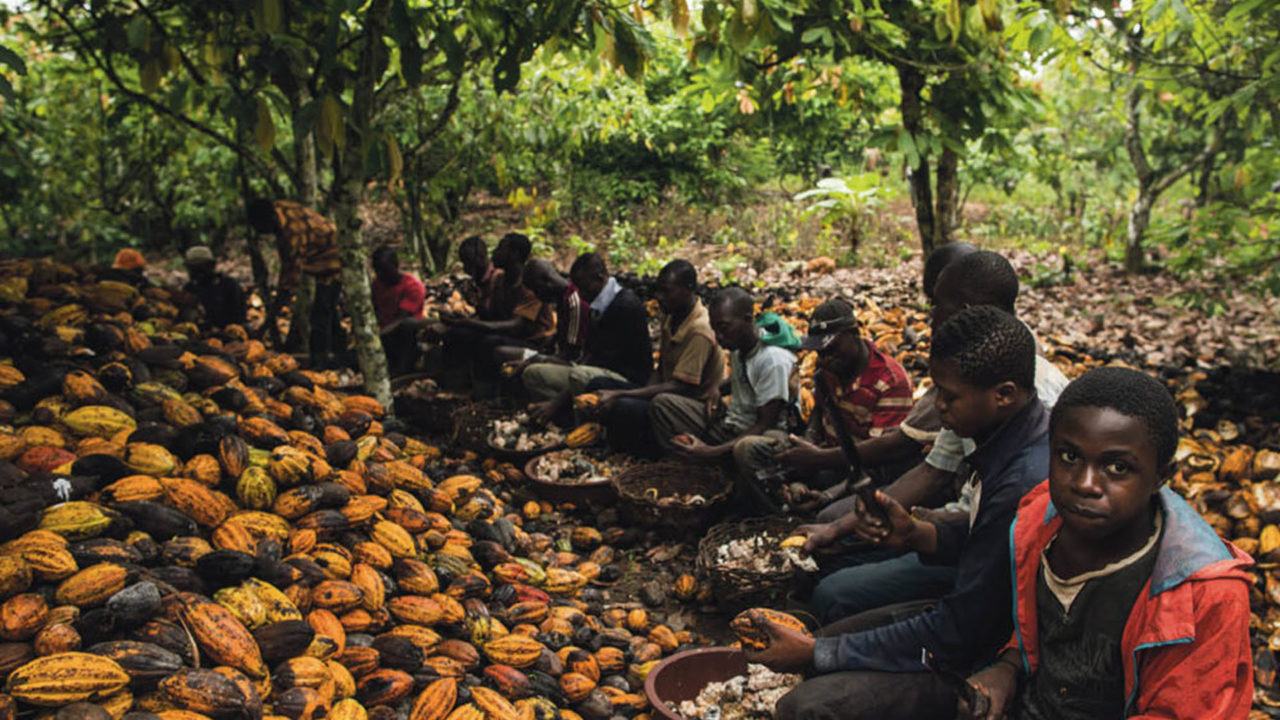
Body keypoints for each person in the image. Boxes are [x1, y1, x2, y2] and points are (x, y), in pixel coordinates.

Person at [747, 306, 1050, 720]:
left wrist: (820, 652)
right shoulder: (1008, 437)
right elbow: (991, 538)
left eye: (950, 396)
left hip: (996, 650)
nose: (939, 407)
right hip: (974, 618)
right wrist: (919, 535)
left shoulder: (1022, 478)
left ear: (1004, 394)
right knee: (829, 627)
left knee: (807, 705)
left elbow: (958, 630)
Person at [962, 366, 1253, 720]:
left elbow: (1185, 710)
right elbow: (1034, 630)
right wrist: (1007, 668)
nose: (1085, 484)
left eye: (1117, 468)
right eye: (1069, 456)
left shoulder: (1205, 594)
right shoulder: (1038, 521)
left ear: (1161, 476)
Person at [803, 250, 1069, 623]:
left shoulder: (1022, 405)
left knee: (836, 591)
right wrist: (844, 529)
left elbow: (990, 557)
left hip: (980, 561)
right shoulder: (969, 376)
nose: (929, 318)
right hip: (958, 531)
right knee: (833, 556)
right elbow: (934, 470)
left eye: (935, 306)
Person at [733, 298, 914, 510]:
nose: (825, 358)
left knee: (832, 510)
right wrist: (809, 438)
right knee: (748, 449)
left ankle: (809, 510)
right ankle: (785, 510)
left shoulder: (890, 382)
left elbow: (880, 459)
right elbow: (819, 411)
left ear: (854, 334)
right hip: (824, 457)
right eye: (819, 351)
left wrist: (821, 466)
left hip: (863, 471)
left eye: (831, 348)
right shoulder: (827, 372)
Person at [585, 260, 723, 458]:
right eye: (659, 290)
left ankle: (649, 455)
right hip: (665, 395)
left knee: (622, 406)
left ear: (689, 289)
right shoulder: (671, 315)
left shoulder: (700, 330)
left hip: (687, 406)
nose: (659, 297)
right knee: (597, 386)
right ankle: (612, 443)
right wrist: (633, 395)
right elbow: (660, 371)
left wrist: (619, 395)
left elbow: (680, 386)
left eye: (667, 291)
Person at [651, 287, 795, 464]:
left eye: (724, 328)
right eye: (714, 329)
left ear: (748, 320)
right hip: (733, 423)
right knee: (663, 404)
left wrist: (709, 452)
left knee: (747, 447)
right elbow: (743, 378)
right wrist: (718, 390)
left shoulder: (772, 360)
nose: (719, 336)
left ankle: (719, 466)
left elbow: (765, 423)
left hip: (765, 435)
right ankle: (692, 466)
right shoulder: (738, 346)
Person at [522, 253, 652, 425]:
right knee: (533, 374)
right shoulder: (598, 304)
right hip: (597, 371)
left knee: (579, 375)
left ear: (599, 278)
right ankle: (563, 418)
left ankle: (584, 427)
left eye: (584, 288)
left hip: (626, 379)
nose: (581, 295)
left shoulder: (625, 306)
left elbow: (599, 362)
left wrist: (556, 402)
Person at [440, 233, 553, 393]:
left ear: (514, 254)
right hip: (511, 336)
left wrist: (468, 322)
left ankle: (486, 392)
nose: (494, 254)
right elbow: (491, 316)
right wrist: (463, 317)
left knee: (487, 341)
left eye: (501, 249)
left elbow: (516, 325)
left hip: (534, 342)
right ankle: (454, 387)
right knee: (457, 334)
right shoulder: (500, 280)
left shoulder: (530, 284)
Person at [247, 197, 343, 368]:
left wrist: (266, 326)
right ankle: (339, 356)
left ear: (267, 220)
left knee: (321, 314)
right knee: (330, 314)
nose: (264, 233)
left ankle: (319, 365)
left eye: (262, 229)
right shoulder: (279, 208)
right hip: (321, 253)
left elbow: (289, 280)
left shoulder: (292, 233)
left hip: (333, 259)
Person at [371, 245, 427, 377]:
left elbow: (401, 319)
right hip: (383, 333)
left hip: (404, 337)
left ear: (395, 265)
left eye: (384, 270)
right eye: (377, 270)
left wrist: (379, 335)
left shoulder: (412, 286)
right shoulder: (377, 284)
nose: (380, 275)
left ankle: (403, 369)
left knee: (406, 327)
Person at [183, 246, 247, 329]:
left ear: (211, 266)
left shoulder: (228, 285)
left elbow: (238, 316)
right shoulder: (190, 288)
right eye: (193, 269)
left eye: (202, 268)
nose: (198, 273)